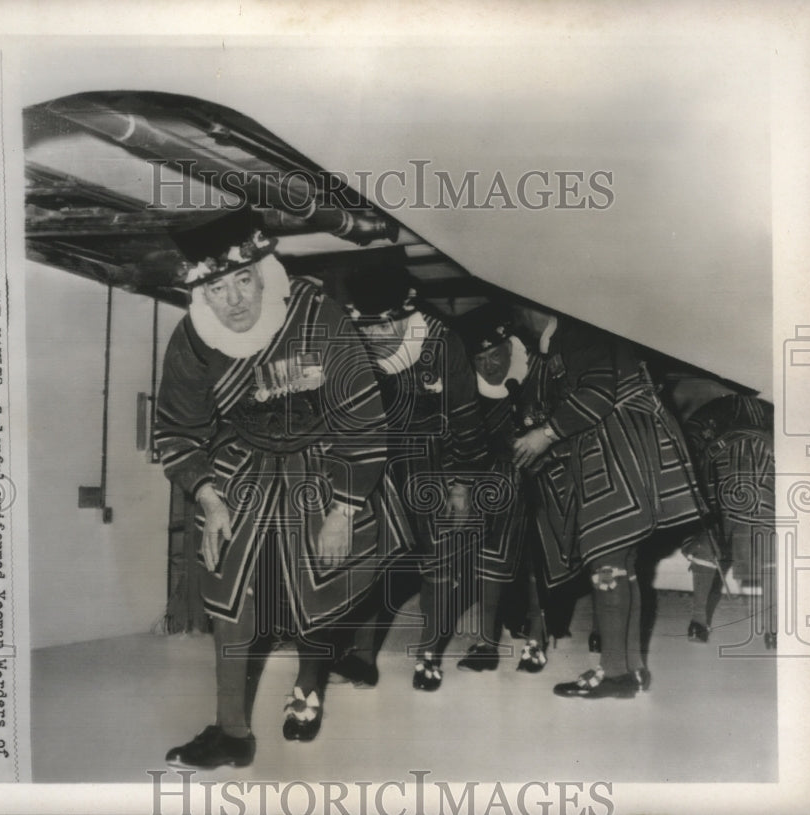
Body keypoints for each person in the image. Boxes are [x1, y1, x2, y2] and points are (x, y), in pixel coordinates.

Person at [155, 222, 388, 769]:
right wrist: (209, 499)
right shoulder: (192, 337)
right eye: (217, 289)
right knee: (229, 589)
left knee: (319, 581)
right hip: (241, 466)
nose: (233, 301)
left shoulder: (316, 315)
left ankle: (309, 688)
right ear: (201, 292)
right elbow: (177, 430)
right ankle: (230, 731)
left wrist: (344, 506)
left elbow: (362, 414)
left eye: (241, 281)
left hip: (321, 462)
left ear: (263, 275)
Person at [508, 306, 707, 699]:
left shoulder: (578, 329)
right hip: (629, 450)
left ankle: (614, 672)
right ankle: (630, 671)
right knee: (622, 564)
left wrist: (544, 435)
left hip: (618, 450)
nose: (518, 318)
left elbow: (596, 394)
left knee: (607, 562)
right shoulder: (567, 338)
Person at [332, 265, 488, 692]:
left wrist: (462, 484)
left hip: (434, 466)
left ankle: (429, 656)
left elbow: (467, 419)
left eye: (384, 324)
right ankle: (362, 657)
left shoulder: (442, 342)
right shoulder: (352, 345)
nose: (374, 335)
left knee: (438, 564)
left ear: (405, 312)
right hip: (376, 465)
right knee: (369, 562)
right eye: (365, 326)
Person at [453, 303, 550, 674]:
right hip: (500, 483)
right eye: (480, 360)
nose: (490, 366)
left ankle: (537, 643)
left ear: (510, 347)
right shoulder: (468, 391)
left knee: (541, 563)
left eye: (495, 355)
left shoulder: (539, 373)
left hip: (545, 480)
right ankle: (486, 644)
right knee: (489, 561)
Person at [666, 374, 777, 649]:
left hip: (730, 472)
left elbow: (684, 450)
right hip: (759, 471)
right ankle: (772, 628)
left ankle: (698, 623)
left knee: (713, 542)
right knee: (756, 542)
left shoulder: (696, 399)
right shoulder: (761, 408)